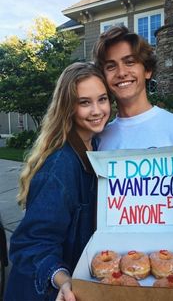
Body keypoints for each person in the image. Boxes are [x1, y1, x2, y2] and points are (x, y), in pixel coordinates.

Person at [4, 62, 110, 301]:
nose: (97, 110)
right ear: (68, 107)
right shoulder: (61, 165)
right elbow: (31, 243)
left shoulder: (97, 146)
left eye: (102, 99)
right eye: (85, 102)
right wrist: (62, 280)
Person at [92, 25, 173, 225]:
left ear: (147, 70)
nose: (121, 72)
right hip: (115, 252)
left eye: (129, 62)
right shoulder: (98, 139)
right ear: (104, 76)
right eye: (111, 66)